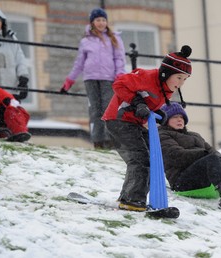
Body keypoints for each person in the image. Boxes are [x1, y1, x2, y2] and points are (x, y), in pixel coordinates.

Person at [102, 45, 193, 211]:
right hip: (119, 119)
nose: (181, 83)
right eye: (179, 78)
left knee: (152, 159)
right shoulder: (147, 77)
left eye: (185, 79)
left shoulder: (167, 89)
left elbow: (149, 103)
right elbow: (119, 84)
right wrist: (137, 103)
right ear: (166, 73)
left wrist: (158, 111)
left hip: (134, 123)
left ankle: (128, 196)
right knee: (139, 158)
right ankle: (133, 200)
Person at [60, 8, 126, 150]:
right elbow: (79, 63)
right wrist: (69, 81)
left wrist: (120, 75)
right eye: (98, 20)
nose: (101, 23)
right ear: (92, 22)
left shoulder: (113, 38)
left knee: (108, 109)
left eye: (103, 20)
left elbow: (119, 59)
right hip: (90, 79)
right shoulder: (86, 41)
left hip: (108, 79)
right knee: (95, 110)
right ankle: (97, 140)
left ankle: (109, 139)